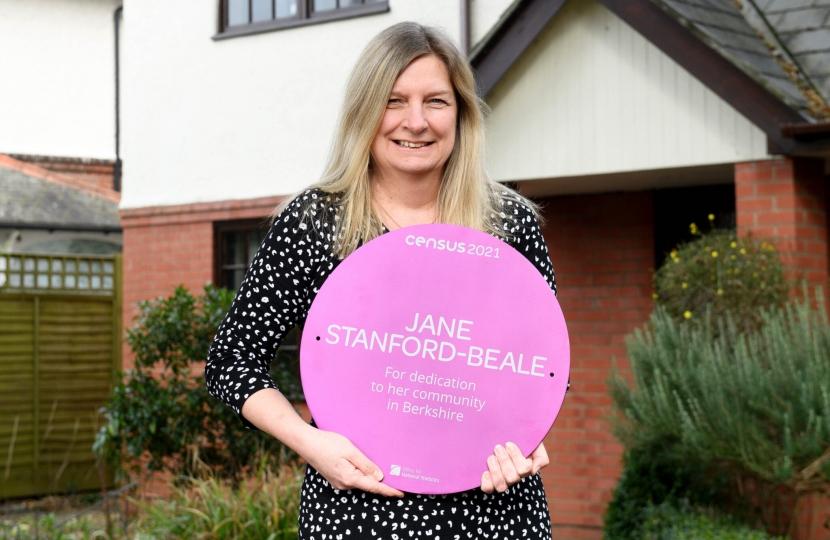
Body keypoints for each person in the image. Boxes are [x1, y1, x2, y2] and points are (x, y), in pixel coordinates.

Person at [206, 21, 557, 539]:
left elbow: (542, 366)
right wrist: (312, 443)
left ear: (460, 113)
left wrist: (525, 441)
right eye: (394, 101)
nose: (415, 122)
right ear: (365, 112)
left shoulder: (508, 223)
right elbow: (231, 362)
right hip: (358, 511)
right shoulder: (315, 223)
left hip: (494, 512)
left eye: (435, 101)